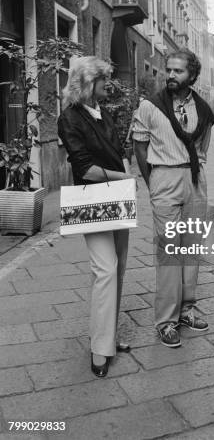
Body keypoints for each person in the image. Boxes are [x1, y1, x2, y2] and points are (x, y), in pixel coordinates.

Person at [133, 48, 214, 348]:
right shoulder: (150, 106)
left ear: (192, 75)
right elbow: (139, 146)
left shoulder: (204, 109)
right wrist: (153, 180)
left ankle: (187, 309)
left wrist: (195, 175)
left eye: (178, 71)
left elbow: (203, 147)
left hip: (195, 179)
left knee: (192, 247)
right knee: (169, 250)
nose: (170, 75)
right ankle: (166, 320)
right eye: (168, 70)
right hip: (164, 177)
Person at [58, 56, 135, 378]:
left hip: (118, 199)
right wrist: (123, 177)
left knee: (117, 270)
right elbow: (84, 168)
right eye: (104, 80)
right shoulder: (70, 118)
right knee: (105, 270)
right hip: (94, 201)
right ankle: (99, 349)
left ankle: (109, 337)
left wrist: (126, 169)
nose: (108, 85)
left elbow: (118, 152)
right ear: (89, 82)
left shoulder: (105, 114)